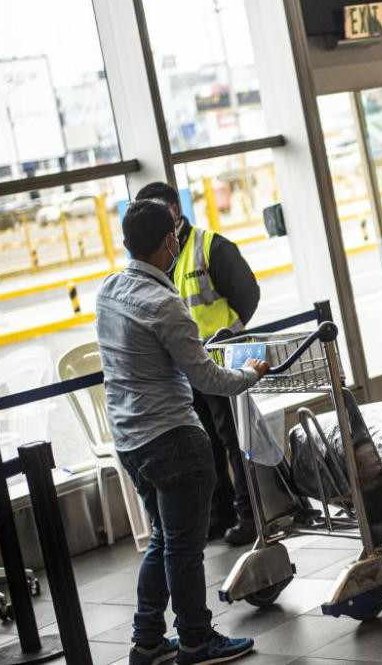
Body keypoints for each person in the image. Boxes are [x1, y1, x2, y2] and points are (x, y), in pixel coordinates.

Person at [96, 199, 267, 665]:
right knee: (185, 549)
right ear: (170, 241)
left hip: (131, 442)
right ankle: (195, 639)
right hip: (173, 440)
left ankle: (147, 639)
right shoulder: (164, 304)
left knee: (163, 540)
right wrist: (250, 373)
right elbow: (207, 380)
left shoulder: (109, 290)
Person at [134, 182, 261, 546]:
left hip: (220, 362)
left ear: (175, 209)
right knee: (204, 444)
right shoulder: (158, 258)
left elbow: (247, 295)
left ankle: (249, 515)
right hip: (186, 369)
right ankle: (220, 514)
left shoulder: (209, 246)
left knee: (233, 440)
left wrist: (226, 338)